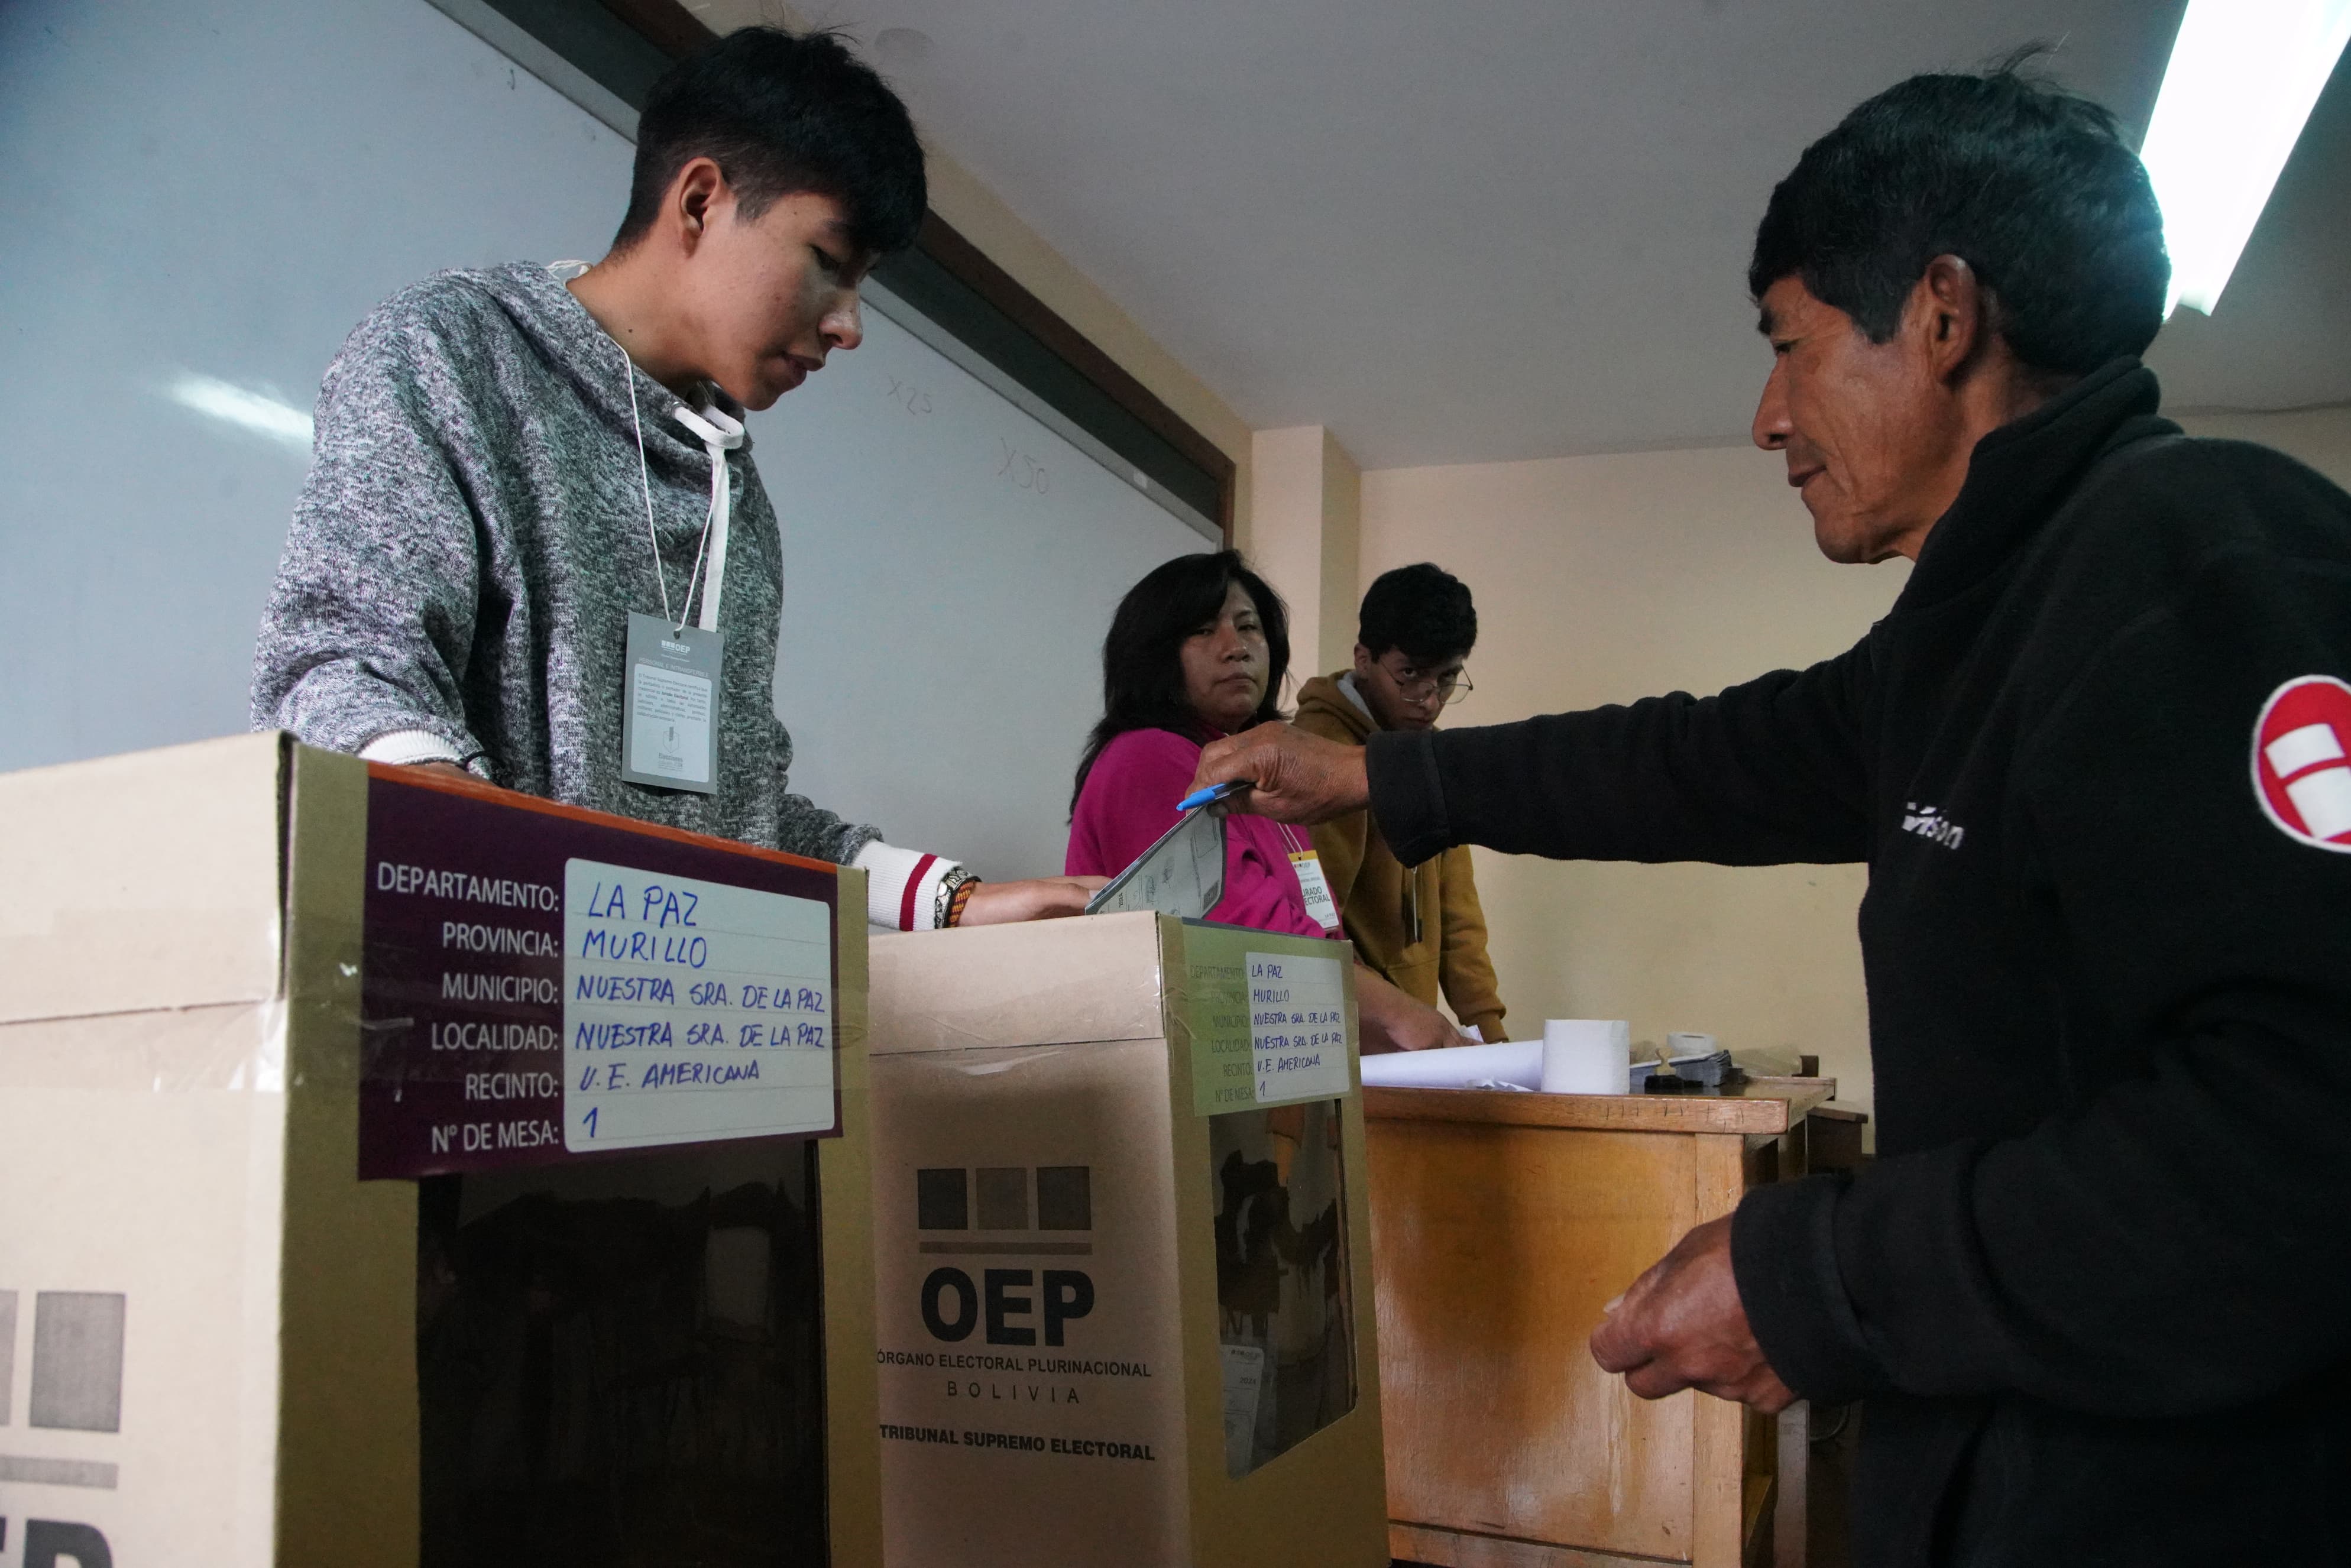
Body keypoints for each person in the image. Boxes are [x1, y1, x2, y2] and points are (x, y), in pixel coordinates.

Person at [1186, 64, 2351, 1566]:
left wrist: (1818, 1275)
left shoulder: (2198, 558)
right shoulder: (1968, 631)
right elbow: (1695, 759)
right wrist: (1374, 777)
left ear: (1940, 316)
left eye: (1789, 348)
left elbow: (2296, 1141)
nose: (1766, 417)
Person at [251, 27, 1094, 929]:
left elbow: (738, 815)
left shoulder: (736, 498)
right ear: (699, 202)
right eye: (827, 263)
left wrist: (953, 898)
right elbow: (338, 668)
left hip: (674, 996)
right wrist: (488, 846)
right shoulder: (454, 355)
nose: (849, 326)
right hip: (484, 980)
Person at [1067, 551, 1465, 1052]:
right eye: (1204, 630)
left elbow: (1321, 928)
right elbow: (1246, 934)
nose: (1236, 648)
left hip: (1279, 1049)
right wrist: (1398, 1016)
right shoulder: (1145, 757)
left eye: (1249, 627)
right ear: (1154, 652)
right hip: (1193, 1064)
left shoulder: (1257, 767)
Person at [1292, 563, 1508, 1043]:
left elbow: (1459, 917)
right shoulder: (1323, 751)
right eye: (1409, 675)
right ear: (1364, 659)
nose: (1428, 701)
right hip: (1349, 1035)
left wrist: (1491, 1035)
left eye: (1446, 679)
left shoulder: (1429, 754)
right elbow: (1315, 927)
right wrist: (1389, 1025)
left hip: (1409, 1037)